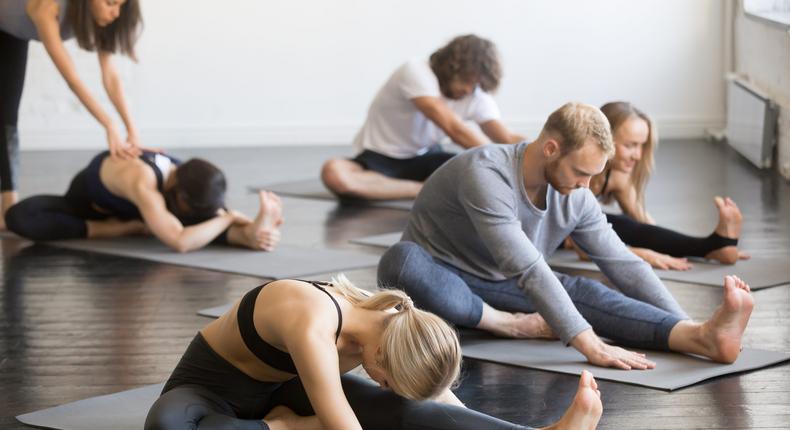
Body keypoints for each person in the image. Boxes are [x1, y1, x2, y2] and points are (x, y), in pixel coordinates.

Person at [378, 102, 755, 370]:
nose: (586, 186)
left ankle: (701, 338)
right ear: (551, 148)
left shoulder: (576, 193)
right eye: (580, 172)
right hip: (439, 274)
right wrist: (585, 341)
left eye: (593, 175)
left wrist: (684, 322)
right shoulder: (486, 174)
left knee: (584, 292)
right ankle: (508, 324)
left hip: (498, 284)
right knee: (401, 261)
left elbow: (621, 262)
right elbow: (527, 268)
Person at [145, 276, 605, 430]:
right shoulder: (313, 322)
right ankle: (286, 427)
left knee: (403, 413)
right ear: (383, 357)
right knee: (164, 427)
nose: (381, 385)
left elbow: (441, 405)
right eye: (386, 380)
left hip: (287, 388)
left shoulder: (396, 328)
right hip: (208, 392)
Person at [321, 34, 524, 201]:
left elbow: (505, 138)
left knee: (477, 174)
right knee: (334, 174)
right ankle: (423, 189)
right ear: (453, 66)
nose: (468, 89)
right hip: (378, 159)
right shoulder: (415, 71)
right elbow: (454, 128)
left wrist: (540, 151)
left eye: (475, 84)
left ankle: (417, 188)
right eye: (467, 80)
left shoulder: (475, 94)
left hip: (426, 158)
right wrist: (500, 166)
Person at [0, 0, 145, 228]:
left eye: (120, 5)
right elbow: (72, 78)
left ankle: (7, 208)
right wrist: (109, 124)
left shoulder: (98, 17)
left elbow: (111, 77)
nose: (115, 13)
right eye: (110, 3)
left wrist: (132, 130)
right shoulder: (48, 7)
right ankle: (8, 205)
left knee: (8, 116)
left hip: (13, 31)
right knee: (5, 114)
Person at [575, 101, 749, 270]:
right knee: (608, 226)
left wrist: (695, 250)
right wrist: (645, 255)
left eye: (641, 145)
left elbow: (645, 226)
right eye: (630, 145)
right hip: (554, 236)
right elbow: (582, 248)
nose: (637, 155)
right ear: (603, 140)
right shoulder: (574, 174)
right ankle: (713, 247)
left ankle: (714, 247)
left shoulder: (617, 176)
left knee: (624, 224)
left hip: (576, 227)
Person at [4, 150, 283, 253]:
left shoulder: (186, 176)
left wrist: (247, 225)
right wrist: (228, 218)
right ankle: (112, 229)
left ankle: (249, 237)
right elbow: (180, 242)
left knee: (196, 220)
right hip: (88, 206)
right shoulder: (143, 182)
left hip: (148, 211)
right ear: (182, 195)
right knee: (19, 216)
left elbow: (209, 212)